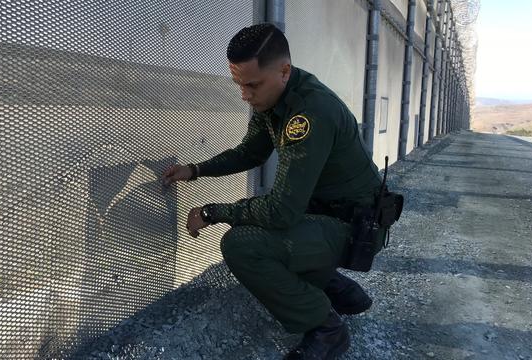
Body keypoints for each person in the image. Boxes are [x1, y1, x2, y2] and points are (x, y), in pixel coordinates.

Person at [162, 23, 386, 359]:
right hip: (328, 216)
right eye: (239, 85)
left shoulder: (309, 114)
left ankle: (327, 329)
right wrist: (196, 170)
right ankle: (339, 290)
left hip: (354, 229)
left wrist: (213, 212)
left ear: (284, 71)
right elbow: (251, 151)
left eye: (252, 85)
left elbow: (281, 212)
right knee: (256, 225)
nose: (245, 95)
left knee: (241, 244)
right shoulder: (276, 99)